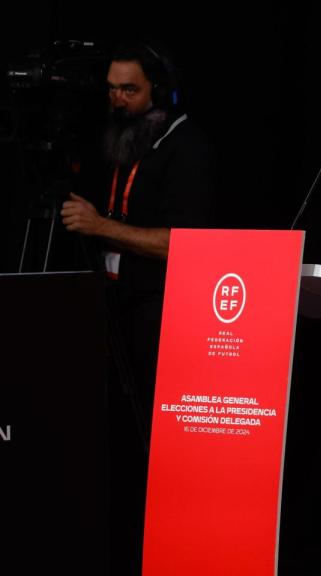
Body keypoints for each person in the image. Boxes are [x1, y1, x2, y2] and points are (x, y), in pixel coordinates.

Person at [59, 39, 216, 575]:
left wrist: (101, 226)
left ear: (161, 92)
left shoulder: (186, 144)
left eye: (130, 89)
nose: (118, 99)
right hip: (114, 309)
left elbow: (183, 243)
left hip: (163, 318)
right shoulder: (124, 142)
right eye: (111, 89)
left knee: (158, 445)